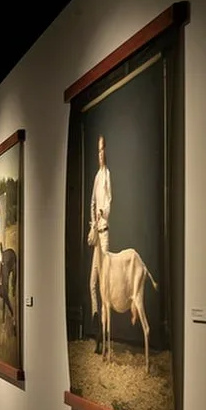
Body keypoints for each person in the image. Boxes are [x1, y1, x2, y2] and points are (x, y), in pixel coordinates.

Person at [89, 135, 112, 353]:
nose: (100, 153)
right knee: (92, 284)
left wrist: (103, 214)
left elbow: (109, 201)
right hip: (97, 235)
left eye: (103, 149)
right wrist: (93, 222)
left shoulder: (107, 175)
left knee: (103, 284)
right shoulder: (97, 177)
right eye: (98, 150)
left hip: (104, 236)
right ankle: (96, 322)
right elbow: (92, 202)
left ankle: (104, 335)